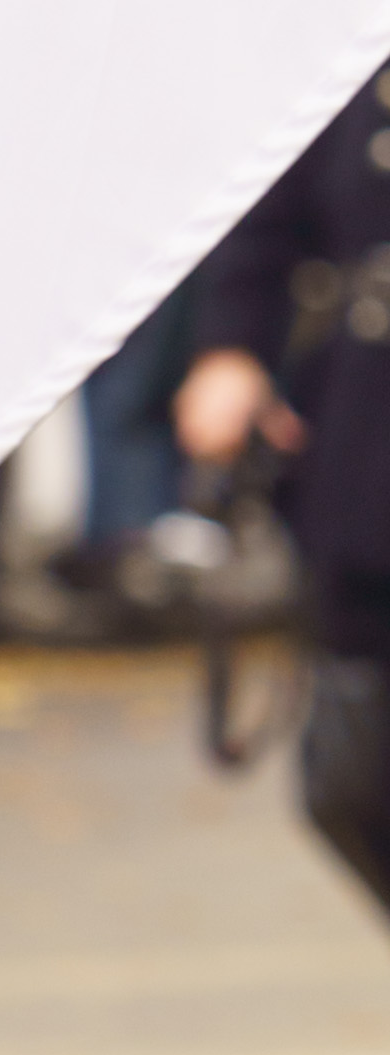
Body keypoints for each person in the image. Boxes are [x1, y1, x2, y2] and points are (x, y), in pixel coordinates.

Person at [181, 67, 390, 1004]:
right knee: (344, 781)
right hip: (362, 444)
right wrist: (232, 348)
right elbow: (271, 207)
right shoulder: (354, 46)